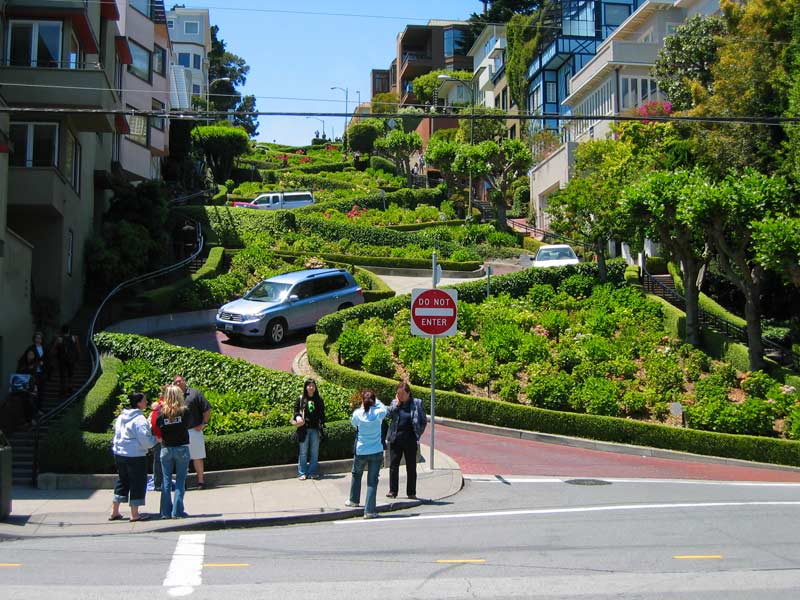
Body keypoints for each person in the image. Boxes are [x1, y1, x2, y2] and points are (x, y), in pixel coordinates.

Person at [110, 392, 157, 522]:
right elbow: (145, 440)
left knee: (122, 480)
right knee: (137, 482)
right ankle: (135, 514)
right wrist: (155, 440)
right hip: (135, 455)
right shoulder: (139, 419)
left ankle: (115, 511)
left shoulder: (121, 416)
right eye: (144, 401)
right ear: (138, 403)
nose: (146, 403)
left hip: (119, 453)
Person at [345, 390, 388, 519]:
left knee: (356, 474)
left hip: (361, 450)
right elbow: (385, 408)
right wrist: (377, 401)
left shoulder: (358, 414)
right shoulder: (379, 413)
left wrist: (363, 406)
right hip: (376, 450)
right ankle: (369, 511)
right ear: (374, 401)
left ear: (362, 401)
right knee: (372, 481)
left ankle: (353, 500)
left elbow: (354, 424)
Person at [386, 381, 428, 499]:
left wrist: (418, 434)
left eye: (403, 394)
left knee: (411, 466)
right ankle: (393, 491)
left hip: (410, 439)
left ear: (409, 393)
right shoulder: (395, 403)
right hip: (396, 439)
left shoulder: (417, 403)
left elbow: (423, 420)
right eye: (398, 394)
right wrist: (397, 404)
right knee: (393, 466)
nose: (400, 396)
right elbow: (388, 414)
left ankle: (411, 492)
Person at [155, 385, 191, 519]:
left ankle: (165, 511)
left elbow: (156, 429)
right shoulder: (184, 412)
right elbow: (187, 425)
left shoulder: (160, 414)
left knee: (166, 480)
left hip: (166, 448)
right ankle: (177, 511)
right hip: (181, 447)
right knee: (180, 480)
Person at [173, 375, 212, 489]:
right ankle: (182, 483)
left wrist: (203, 423)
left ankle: (201, 482)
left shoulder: (195, 394)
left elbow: (207, 408)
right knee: (181, 459)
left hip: (194, 431)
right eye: (176, 382)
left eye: (180, 381)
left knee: (197, 457)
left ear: (184, 381)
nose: (178, 383)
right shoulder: (174, 396)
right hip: (180, 432)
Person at [292, 378, 326, 480]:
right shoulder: (301, 398)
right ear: (306, 387)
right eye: (309, 386)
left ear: (315, 388)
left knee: (314, 452)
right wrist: (298, 417)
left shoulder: (319, 399)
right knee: (303, 452)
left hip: (315, 429)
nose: (311, 388)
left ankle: (312, 472)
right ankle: (302, 472)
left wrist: (321, 422)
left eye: (313, 386)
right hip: (304, 429)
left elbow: (322, 414)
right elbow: (295, 412)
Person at [52, 324, 79, 396]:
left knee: (62, 376)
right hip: (71, 360)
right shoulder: (74, 338)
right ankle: (70, 388)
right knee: (71, 375)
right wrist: (77, 358)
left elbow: (53, 350)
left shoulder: (59, 339)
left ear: (61, 331)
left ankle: (63, 390)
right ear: (69, 330)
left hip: (62, 360)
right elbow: (77, 350)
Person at [149, 394, 164, 492]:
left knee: (159, 461)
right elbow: (152, 424)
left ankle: (159, 483)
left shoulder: (157, 409)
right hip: (161, 439)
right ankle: (158, 483)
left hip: (161, 438)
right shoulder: (157, 409)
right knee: (159, 461)